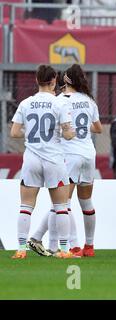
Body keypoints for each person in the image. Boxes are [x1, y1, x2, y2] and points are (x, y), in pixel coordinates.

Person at [27, 64, 102, 258]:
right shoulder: (89, 101)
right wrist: (82, 126)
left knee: (62, 204)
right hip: (88, 154)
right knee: (86, 203)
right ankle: (89, 246)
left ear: (66, 80)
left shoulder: (59, 100)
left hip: (70, 154)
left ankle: (67, 245)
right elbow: (98, 128)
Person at [10, 65, 76, 259]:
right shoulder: (60, 104)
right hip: (54, 159)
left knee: (26, 206)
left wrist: (30, 134)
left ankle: (21, 249)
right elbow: (68, 134)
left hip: (32, 159)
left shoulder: (25, 103)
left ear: (36, 81)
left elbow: (14, 133)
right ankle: (64, 250)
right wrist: (70, 132)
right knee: (61, 207)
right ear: (54, 80)